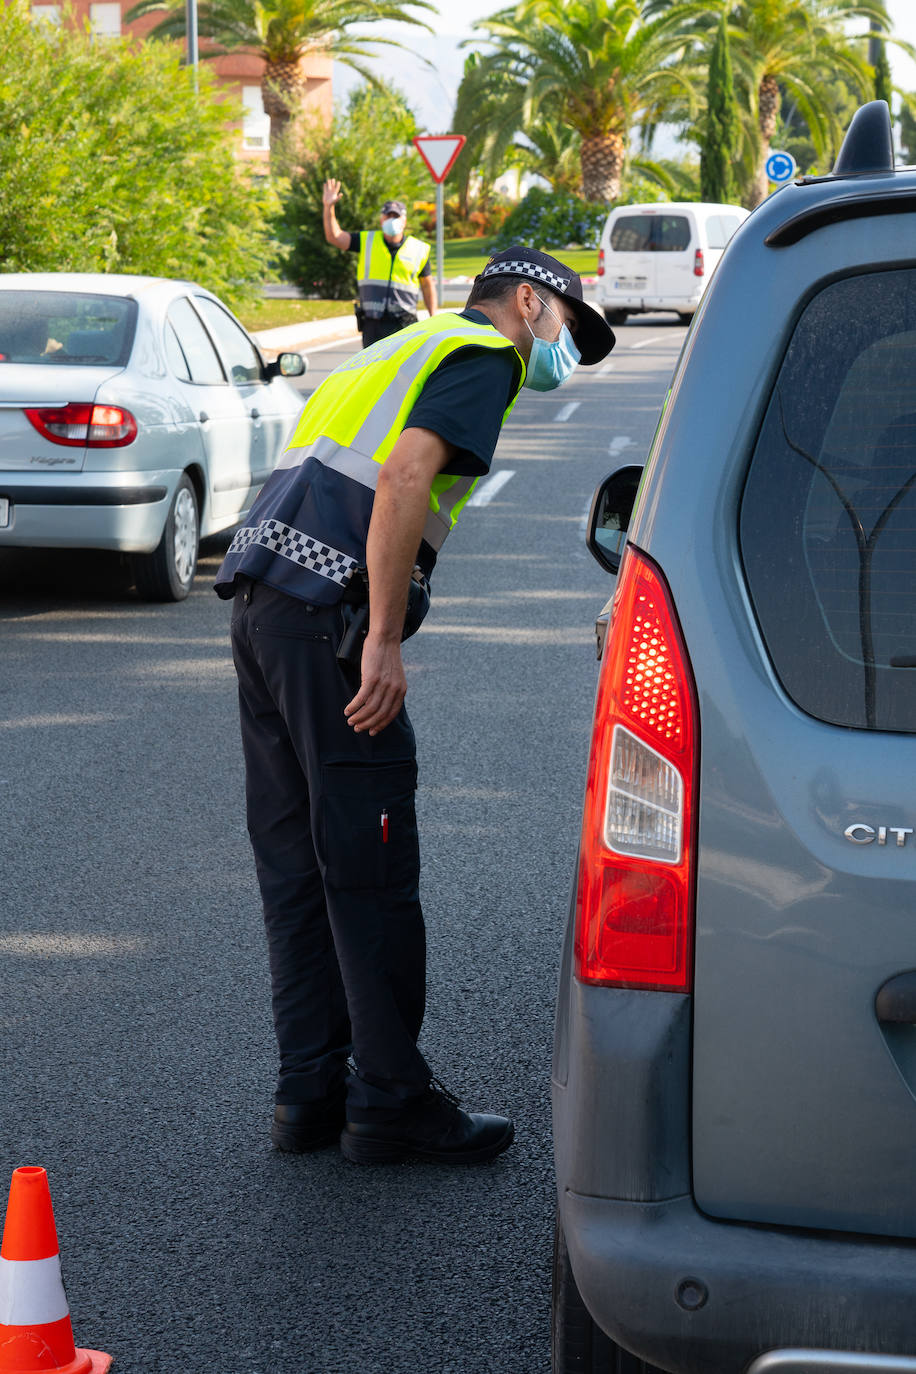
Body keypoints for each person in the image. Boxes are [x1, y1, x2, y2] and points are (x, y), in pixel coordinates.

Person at [215, 246, 615, 1166]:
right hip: (331, 629)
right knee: (372, 860)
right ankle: (391, 1099)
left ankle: (309, 1093)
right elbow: (401, 480)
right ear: (527, 299)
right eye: (564, 324)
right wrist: (383, 639)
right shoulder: (483, 354)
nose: (562, 350)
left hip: (263, 614)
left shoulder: (395, 349)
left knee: (297, 863)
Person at [323, 179, 437, 347]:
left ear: (404, 221)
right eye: (388, 215)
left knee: (404, 372)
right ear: (381, 220)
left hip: (404, 324)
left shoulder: (418, 249)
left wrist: (432, 317)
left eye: (396, 216)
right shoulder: (366, 241)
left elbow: (427, 286)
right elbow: (334, 236)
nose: (392, 219)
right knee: (373, 371)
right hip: (373, 324)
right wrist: (328, 207)